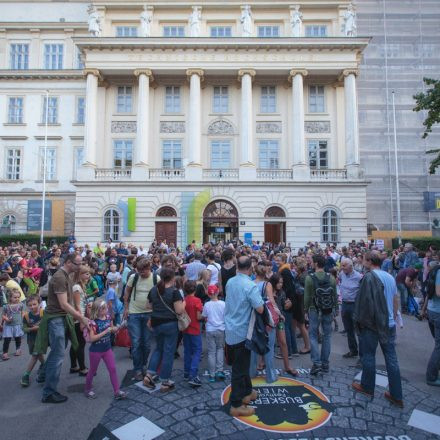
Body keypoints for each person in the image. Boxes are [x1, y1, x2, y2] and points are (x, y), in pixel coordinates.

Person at [352, 251, 403, 408]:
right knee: (391, 358)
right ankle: (397, 395)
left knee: (368, 355)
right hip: (389, 324)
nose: (363, 263)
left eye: (364, 260)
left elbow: (365, 304)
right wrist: (393, 317)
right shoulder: (389, 277)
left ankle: (367, 387)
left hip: (373, 324)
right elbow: (395, 299)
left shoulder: (369, 277)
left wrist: (359, 322)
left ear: (369, 261)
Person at [38, 252, 90, 404]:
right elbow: (64, 304)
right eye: (77, 264)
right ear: (68, 262)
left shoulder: (67, 275)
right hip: (56, 320)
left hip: (61, 318)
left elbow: (69, 302)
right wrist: (81, 318)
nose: (80, 267)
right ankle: (48, 393)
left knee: (57, 351)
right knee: (58, 355)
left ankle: (42, 375)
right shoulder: (60, 277)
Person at [225, 256, 264, 417]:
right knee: (239, 369)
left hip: (230, 329)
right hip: (243, 332)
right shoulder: (250, 285)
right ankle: (236, 404)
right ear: (251, 267)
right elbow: (260, 309)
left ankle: (247, 392)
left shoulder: (230, 282)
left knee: (242, 365)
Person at [142, 267, 185, 393]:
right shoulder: (174, 292)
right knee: (168, 352)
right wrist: (184, 304)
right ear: (172, 278)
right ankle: (165, 382)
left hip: (156, 323)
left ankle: (149, 375)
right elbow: (178, 310)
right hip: (170, 324)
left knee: (158, 349)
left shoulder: (154, 290)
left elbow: (148, 306)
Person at [84, 298, 126, 400]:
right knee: (92, 371)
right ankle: (87, 389)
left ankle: (117, 391)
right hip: (96, 351)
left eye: (106, 308)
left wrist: (117, 328)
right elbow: (92, 338)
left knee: (112, 369)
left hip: (107, 349)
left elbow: (111, 330)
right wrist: (106, 331)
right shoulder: (93, 323)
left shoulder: (108, 317)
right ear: (97, 310)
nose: (106, 310)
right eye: (103, 308)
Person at [123, 258, 158, 381]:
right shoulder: (134, 277)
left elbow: (159, 296)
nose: (141, 273)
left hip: (149, 314)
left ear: (149, 268)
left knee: (147, 344)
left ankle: (144, 365)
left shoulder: (156, 278)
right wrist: (126, 308)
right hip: (134, 314)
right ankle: (137, 369)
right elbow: (126, 293)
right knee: (136, 343)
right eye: (139, 271)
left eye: (143, 271)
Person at [304, 254, 338, 375]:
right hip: (328, 309)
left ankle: (316, 363)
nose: (311, 263)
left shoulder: (310, 278)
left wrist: (305, 310)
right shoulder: (331, 277)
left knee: (313, 335)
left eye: (312, 262)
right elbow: (334, 295)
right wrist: (336, 309)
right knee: (327, 336)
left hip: (314, 309)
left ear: (316, 264)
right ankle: (325, 363)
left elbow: (307, 297)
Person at [249, 264, 278, 383]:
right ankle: (270, 376)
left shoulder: (250, 284)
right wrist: (278, 314)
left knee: (253, 346)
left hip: (252, 317)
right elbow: (272, 301)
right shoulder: (267, 284)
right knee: (269, 346)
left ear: (255, 272)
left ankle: (251, 372)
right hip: (265, 317)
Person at [69, 264, 90, 376]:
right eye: (86, 273)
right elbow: (77, 305)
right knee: (80, 344)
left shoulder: (80, 286)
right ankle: (82, 368)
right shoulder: (76, 287)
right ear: (79, 275)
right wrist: (82, 320)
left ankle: (74, 366)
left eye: (88, 273)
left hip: (78, 318)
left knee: (75, 343)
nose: (88, 275)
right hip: (77, 319)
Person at [339, 258, 362, 358]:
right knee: (348, 329)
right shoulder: (341, 274)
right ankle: (353, 350)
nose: (342, 267)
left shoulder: (359, 277)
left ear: (351, 266)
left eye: (344, 265)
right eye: (341, 265)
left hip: (355, 305)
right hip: (344, 304)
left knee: (359, 331)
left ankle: (363, 354)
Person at [202, 284, 226, 382]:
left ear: (208, 294)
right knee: (220, 349)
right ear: (217, 292)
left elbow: (204, 316)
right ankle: (219, 370)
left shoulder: (207, 304)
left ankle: (212, 374)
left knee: (211, 352)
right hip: (220, 329)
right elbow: (226, 316)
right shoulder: (223, 303)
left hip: (210, 329)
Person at [21, 295, 45, 386]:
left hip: (42, 338)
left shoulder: (43, 313)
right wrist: (32, 329)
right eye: (30, 305)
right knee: (37, 354)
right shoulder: (26, 316)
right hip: (32, 339)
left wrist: (39, 327)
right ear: (27, 305)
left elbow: (47, 325)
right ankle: (43, 365)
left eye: (34, 304)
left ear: (39, 303)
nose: (32, 307)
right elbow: (23, 328)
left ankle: (27, 374)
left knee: (36, 355)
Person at [182, 280, 203, 387]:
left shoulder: (184, 300)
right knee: (197, 351)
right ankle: (193, 374)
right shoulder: (197, 300)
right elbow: (199, 317)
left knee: (187, 351)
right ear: (195, 289)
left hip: (186, 329)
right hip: (195, 329)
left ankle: (186, 372)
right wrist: (205, 316)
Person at [425, 257, 440, 386]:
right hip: (438, 312)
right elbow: (438, 292)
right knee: (439, 347)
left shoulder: (435, 270)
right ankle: (431, 376)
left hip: (432, 310)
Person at [2, 288, 24, 360]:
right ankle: (5, 353)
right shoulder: (6, 306)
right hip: (8, 326)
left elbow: (23, 313)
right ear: (10, 298)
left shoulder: (21, 305)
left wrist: (22, 320)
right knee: (7, 339)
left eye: (18, 297)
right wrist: (7, 319)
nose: (17, 298)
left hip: (17, 325)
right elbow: (3, 315)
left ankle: (18, 350)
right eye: (15, 297)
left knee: (18, 338)